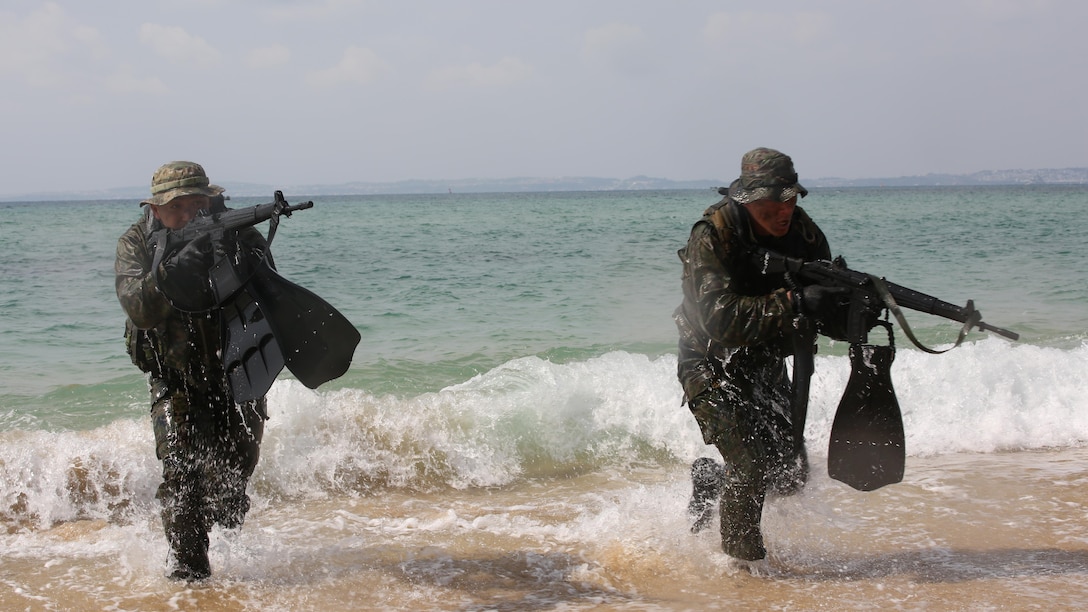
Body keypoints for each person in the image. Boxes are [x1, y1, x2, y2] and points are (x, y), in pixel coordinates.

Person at [673, 148, 848, 566]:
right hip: (709, 361)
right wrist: (792, 301)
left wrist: (847, 310)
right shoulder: (713, 234)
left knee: (790, 474)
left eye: (790, 200)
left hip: (765, 361)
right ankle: (741, 568)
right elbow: (718, 320)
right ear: (749, 201)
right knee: (750, 467)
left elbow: (823, 306)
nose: (783, 210)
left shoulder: (804, 235)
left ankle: (712, 479)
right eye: (772, 203)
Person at [115, 161, 271, 581]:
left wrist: (234, 251)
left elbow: (270, 281)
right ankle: (190, 578)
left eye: (197, 205)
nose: (188, 215)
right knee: (181, 478)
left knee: (232, 486)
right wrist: (177, 266)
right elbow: (138, 308)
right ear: (156, 208)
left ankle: (217, 532)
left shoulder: (231, 229)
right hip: (175, 378)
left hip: (237, 373)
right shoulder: (136, 243)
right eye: (177, 208)